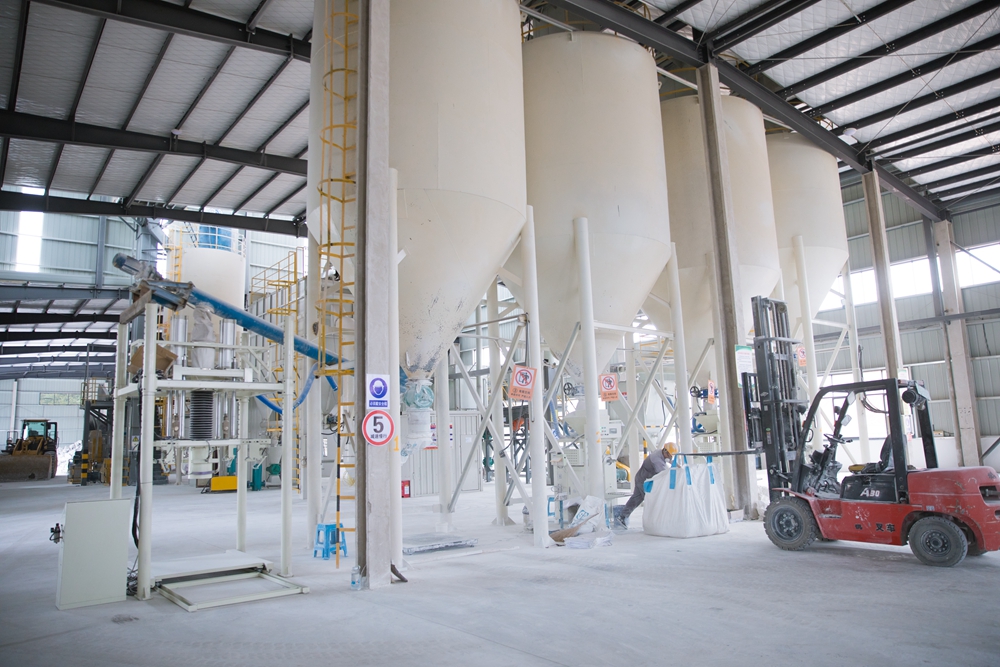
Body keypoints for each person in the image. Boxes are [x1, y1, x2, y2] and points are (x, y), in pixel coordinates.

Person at [613, 443, 674, 528]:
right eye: (670, 455)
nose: (670, 458)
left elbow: (668, 461)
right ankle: (655, 522)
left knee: (636, 499)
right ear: (665, 451)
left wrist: (675, 464)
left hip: (642, 478)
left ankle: (622, 516)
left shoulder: (660, 453)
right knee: (652, 500)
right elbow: (663, 474)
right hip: (644, 481)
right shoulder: (656, 459)